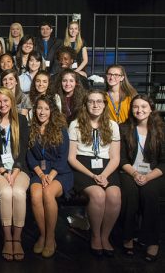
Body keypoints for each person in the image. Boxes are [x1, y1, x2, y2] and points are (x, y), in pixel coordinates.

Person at [68, 90, 121, 257]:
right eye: (91, 101)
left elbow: (115, 157)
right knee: (98, 194)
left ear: (105, 105)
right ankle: (96, 236)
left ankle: (105, 236)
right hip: (82, 167)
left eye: (99, 101)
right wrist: (92, 176)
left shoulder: (113, 125)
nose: (96, 105)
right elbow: (71, 157)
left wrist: (104, 175)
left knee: (114, 194)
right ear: (85, 105)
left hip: (106, 167)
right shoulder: (75, 124)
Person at [0, 88, 29, 261]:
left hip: (19, 170)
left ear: (12, 101)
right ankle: (7, 238)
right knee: (5, 192)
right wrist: (3, 170)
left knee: (18, 192)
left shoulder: (22, 120)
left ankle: (17, 238)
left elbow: (23, 149)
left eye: (5, 101)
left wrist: (14, 171)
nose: (2, 104)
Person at [119, 94, 164, 261]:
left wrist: (148, 177)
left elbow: (163, 162)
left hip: (154, 174)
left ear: (151, 109)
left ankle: (152, 241)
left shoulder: (161, 130)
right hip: (129, 171)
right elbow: (122, 159)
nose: (139, 110)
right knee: (130, 194)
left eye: (144, 106)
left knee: (149, 193)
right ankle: (127, 237)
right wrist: (136, 174)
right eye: (136, 107)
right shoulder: (124, 129)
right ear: (131, 110)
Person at [28, 95, 72, 258]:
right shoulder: (31, 128)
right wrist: (40, 174)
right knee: (35, 195)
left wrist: (51, 175)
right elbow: (30, 156)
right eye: (39, 108)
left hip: (60, 173)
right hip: (39, 172)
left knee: (48, 193)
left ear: (52, 111)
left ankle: (50, 237)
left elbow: (63, 156)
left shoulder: (61, 129)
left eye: (46, 109)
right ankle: (43, 234)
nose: (42, 112)